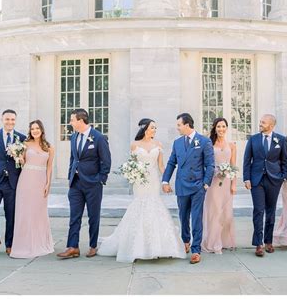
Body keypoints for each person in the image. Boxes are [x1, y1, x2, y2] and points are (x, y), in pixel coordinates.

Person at [98, 118, 186, 262]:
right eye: (152, 128)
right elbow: (131, 164)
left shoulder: (158, 145)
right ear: (145, 129)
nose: (154, 130)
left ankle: (157, 246)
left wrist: (166, 181)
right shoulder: (135, 145)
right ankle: (137, 246)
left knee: (154, 205)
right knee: (140, 206)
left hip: (153, 181)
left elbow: (161, 166)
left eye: (155, 128)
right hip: (139, 182)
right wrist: (131, 173)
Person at [57, 109, 111, 259]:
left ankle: (93, 245)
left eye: (72, 120)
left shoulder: (99, 137)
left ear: (80, 121)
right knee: (74, 216)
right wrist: (70, 177)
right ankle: (72, 246)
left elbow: (106, 161)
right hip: (75, 184)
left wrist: (100, 179)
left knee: (94, 216)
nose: (70, 122)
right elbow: (73, 158)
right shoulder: (73, 136)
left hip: (93, 183)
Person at [162, 113, 215, 264]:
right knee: (183, 216)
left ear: (187, 125)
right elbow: (172, 163)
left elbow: (210, 164)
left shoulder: (204, 141)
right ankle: (186, 241)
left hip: (198, 185)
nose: (177, 128)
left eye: (179, 125)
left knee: (196, 217)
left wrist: (206, 183)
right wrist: (165, 180)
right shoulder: (177, 142)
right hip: (181, 185)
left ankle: (196, 249)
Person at [243, 114, 287, 257]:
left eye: (263, 122)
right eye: (261, 121)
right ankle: (258, 243)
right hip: (257, 180)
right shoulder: (253, 139)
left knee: (271, 211)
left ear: (271, 125)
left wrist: (283, 176)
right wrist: (246, 178)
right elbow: (247, 159)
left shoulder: (280, 140)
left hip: (274, 180)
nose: (260, 124)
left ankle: (268, 241)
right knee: (258, 210)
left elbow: (284, 160)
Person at [0, 109, 26, 255]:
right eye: (7, 119)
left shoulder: (22, 138)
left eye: (13, 119)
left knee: (11, 214)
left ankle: (10, 243)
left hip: (12, 182)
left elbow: (24, 161)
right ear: (2, 119)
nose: (10, 122)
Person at [10, 120, 55, 258]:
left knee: (38, 212)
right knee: (25, 211)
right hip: (26, 180)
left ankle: (39, 242)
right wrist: (18, 157)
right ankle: (24, 244)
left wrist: (48, 184)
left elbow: (49, 167)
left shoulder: (49, 147)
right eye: (32, 128)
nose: (35, 130)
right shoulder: (25, 144)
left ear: (42, 130)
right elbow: (22, 162)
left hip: (40, 181)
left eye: (37, 128)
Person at [201, 118, 237, 254]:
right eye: (218, 126)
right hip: (214, 183)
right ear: (215, 128)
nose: (221, 129)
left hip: (226, 183)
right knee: (215, 212)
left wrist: (234, 184)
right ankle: (214, 244)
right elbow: (205, 164)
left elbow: (233, 166)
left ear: (227, 128)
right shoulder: (209, 144)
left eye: (223, 126)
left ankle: (224, 240)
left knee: (227, 214)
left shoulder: (232, 145)